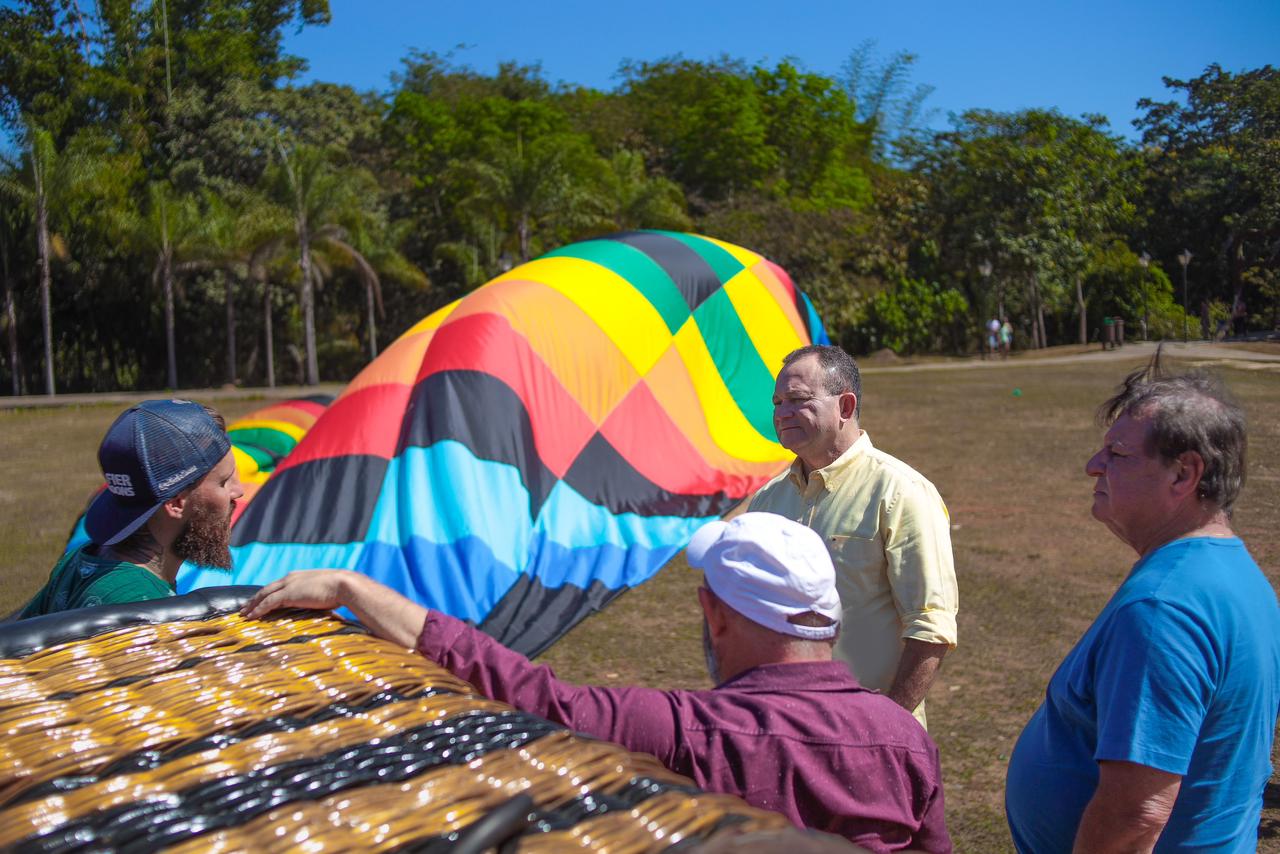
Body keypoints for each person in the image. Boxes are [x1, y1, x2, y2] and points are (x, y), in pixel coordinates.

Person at [241, 512, 953, 852]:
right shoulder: (906, 739)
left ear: (717, 615)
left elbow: (527, 693)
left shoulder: (688, 732)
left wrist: (353, 589)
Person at [1005, 355, 1280, 852]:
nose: (1094, 465)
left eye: (1118, 454)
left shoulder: (1163, 610)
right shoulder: (1236, 576)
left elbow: (1136, 816)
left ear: (1183, 474)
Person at [747, 345, 958, 728]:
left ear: (845, 407)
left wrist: (885, 726)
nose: (781, 413)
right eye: (778, 402)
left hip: (871, 733)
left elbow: (931, 627)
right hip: (782, 727)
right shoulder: (766, 501)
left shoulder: (901, 493)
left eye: (797, 400)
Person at [17, 399, 244, 618]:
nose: (239, 492)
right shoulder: (143, 611)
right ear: (175, 503)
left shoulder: (81, 560)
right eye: (224, 482)